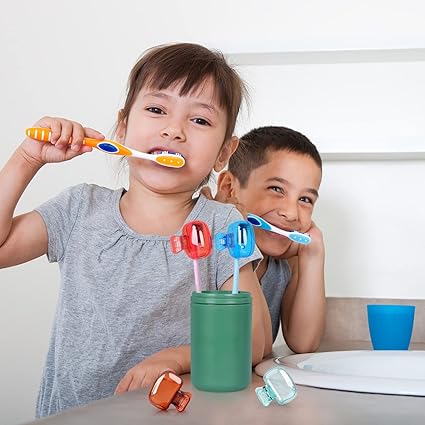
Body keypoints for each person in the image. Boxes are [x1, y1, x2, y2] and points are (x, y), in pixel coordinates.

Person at [0, 43, 272, 417]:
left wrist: (177, 357)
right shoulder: (79, 209)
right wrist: (27, 159)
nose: (174, 130)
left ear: (224, 153)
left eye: (200, 120)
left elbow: (255, 342)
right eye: (157, 110)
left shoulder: (222, 226)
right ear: (123, 127)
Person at [203, 126, 325, 353]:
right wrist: (230, 225)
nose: (291, 213)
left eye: (305, 199)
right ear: (229, 188)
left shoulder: (283, 264)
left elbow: (304, 343)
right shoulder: (202, 249)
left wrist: (313, 253)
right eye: (276, 189)